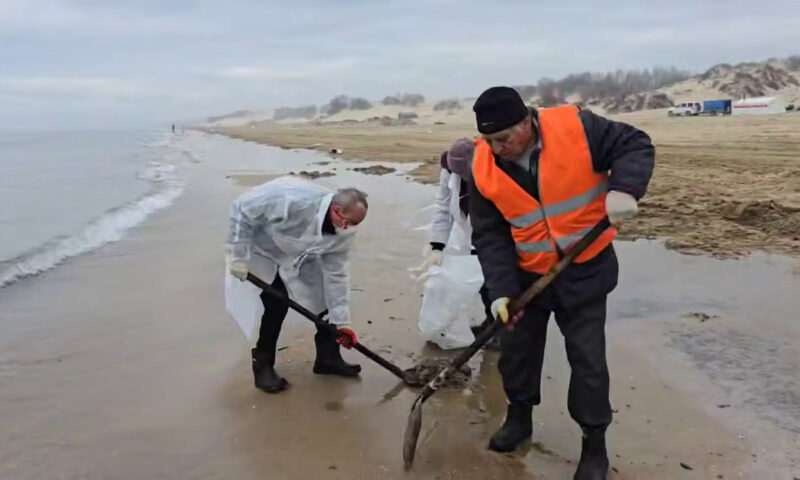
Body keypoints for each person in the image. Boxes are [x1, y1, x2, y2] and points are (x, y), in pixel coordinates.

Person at [469, 86, 654, 479]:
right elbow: (490, 234)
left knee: (587, 362)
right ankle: (519, 419)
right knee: (517, 354)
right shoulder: (481, 165)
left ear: (527, 122)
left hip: (585, 269)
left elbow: (635, 144)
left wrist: (625, 190)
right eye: (489, 140)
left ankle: (594, 445)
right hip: (526, 275)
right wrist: (500, 291)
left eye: (503, 138)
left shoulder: (578, 129)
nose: (497, 148)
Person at [227, 176, 367, 394]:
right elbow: (242, 208)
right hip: (259, 248)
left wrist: (343, 323)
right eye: (347, 222)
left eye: (355, 225)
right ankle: (263, 366)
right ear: (335, 208)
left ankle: (327, 359)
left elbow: (336, 275)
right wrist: (238, 255)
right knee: (276, 303)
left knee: (324, 302)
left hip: (299, 253)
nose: (348, 228)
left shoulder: (343, 229)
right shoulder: (289, 196)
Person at [422, 138, 499, 349]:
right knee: (477, 281)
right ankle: (490, 321)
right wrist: (437, 245)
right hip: (467, 233)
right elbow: (443, 206)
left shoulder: (493, 168)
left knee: (494, 280)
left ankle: (499, 329)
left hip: (494, 233)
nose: (461, 177)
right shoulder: (449, 172)